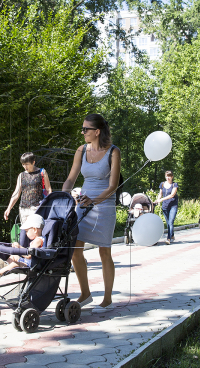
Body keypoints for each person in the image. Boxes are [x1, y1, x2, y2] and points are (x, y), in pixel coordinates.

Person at [62, 113, 121, 313]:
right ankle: (85, 293)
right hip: (83, 205)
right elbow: (71, 178)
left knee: (104, 251)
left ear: (97, 132)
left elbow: (113, 186)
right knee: (74, 249)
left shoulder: (113, 152)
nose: (83, 132)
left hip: (104, 206)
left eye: (86, 129)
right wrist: (63, 194)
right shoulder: (81, 150)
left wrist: (94, 201)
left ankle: (107, 298)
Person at [0, 214, 45, 283]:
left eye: (27, 231)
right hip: (28, 262)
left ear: (34, 230)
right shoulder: (37, 240)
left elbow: (30, 255)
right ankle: (5, 265)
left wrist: (19, 248)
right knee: (14, 256)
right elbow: (29, 252)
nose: (26, 233)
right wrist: (19, 248)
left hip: (32, 265)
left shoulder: (38, 241)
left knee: (15, 264)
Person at [4, 152, 53, 224]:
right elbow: (16, 193)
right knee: (25, 234)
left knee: (35, 232)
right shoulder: (21, 175)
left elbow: (48, 190)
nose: (24, 166)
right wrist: (8, 208)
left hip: (37, 208)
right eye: (23, 164)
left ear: (33, 162)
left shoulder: (42, 172)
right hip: (23, 210)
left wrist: (49, 206)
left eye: (27, 164)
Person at [155, 171, 178, 245]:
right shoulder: (162, 184)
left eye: (169, 176)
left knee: (171, 222)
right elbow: (160, 194)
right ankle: (172, 235)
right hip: (165, 206)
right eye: (166, 176)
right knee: (168, 223)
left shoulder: (174, 185)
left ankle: (168, 238)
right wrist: (158, 200)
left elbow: (172, 195)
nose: (168, 178)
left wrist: (161, 200)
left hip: (173, 205)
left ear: (172, 177)